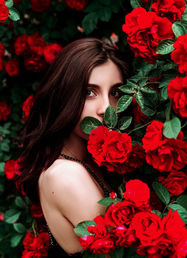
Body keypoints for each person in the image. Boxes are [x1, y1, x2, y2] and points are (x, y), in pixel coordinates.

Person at [18, 38, 129, 257]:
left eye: (115, 93)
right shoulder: (65, 174)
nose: (106, 108)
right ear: (63, 97)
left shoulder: (87, 162)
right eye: (90, 92)